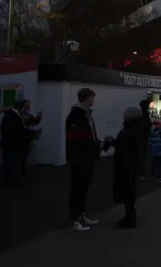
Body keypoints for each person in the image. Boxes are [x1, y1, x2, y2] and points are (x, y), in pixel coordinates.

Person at [65, 88, 101, 232]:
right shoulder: (76, 116)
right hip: (79, 157)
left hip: (87, 156)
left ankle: (81, 215)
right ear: (86, 98)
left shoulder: (86, 115)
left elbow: (89, 134)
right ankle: (75, 218)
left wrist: (96, 143)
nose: (94, 100)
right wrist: (92, 145)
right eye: (92, 97)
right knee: (78, 188)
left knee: (83, 187)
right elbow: (76, 138)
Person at [112, 106, 144, 229]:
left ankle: (130, 219)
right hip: (130, 164)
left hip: (126, 165)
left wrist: (115, 143)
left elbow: (126, 146)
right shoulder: (135, 129)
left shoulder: (130, 130)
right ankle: (129, 217)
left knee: (127, 191)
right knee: (128, 191)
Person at [0, 101, 29, 185]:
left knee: (10, 162)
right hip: (12, 144)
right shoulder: (13, 116)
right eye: (25, 107)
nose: (27, 109)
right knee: (11, 163)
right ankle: (10, 181)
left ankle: (9, 180)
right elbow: (14, 130)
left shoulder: (11, 115)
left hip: (10, 143)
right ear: (20, 107)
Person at [19, 100, 42, 177]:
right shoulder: (21, 115)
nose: (28, 107)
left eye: (29, 105)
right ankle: (21, 171)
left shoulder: (30, 114)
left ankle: (23, 170)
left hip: (29, 137)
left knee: (26, 154)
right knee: (22, 155)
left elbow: (34, 123)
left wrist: (38, 117)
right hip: (22, 138)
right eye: (26, 105)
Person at [138, 99, 153, 179]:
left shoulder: (140, 114)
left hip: (142, 137)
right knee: (143, 155)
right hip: (144, 137)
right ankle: (142, 173)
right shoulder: (145, 114)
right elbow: (146, 126)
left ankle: (142, 172)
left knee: (142, 155)